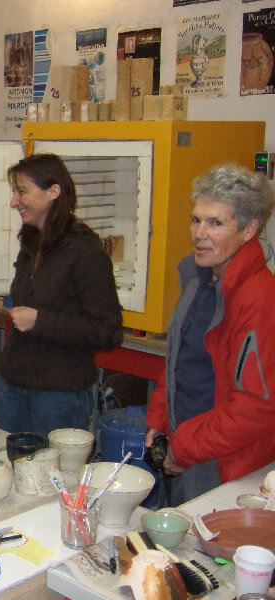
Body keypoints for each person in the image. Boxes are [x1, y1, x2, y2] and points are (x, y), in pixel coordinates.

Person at [145, 163, 275, 505]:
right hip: (187, 451)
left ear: (249, 229)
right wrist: (159, 421)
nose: (199, 233)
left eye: (215, 223)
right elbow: (177, 362)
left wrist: (183, 448)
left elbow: (255, 409)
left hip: (225, 466)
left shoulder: (259, 299)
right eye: (196, 219)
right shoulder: (200, 280)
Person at [0, 153, 123, 438]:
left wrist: (41, 320)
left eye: (22, 192)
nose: (14, 202)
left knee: (51, 479)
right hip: (12, 385)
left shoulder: (85, 252)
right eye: (14, 192)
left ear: (53, 192)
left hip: (59, 396)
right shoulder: (31, 242)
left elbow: (108, 332)